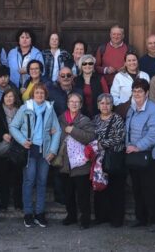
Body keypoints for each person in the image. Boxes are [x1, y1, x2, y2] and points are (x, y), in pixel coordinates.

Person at [9, 82, 61, 228]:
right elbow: (13, 126)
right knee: (29, 181)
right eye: (37, 92)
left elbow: (56, 131)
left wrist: (53, 150)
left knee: (42, 182)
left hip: (44, 152)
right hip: (30, 151)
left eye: (42, 93)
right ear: (33, 94)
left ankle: (40, 213)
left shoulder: (50, 109)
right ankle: (28, 213)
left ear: (45, 95)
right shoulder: (25, 108)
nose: (39, 95)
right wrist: (22, 140)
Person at [125, 79, 155, 231]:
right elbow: (127, 129)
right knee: (137, 189)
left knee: (151, 190)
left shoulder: (153, 109)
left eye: (140, 91)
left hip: (150, 157)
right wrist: (128, 146)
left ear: (147, 93)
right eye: (134, 91)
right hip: (135, 156)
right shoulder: (131, 109)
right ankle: (140, 218)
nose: (137, 94)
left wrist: (137, 147)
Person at [56, 92, 96, 229]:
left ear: (80, 105)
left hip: (81, 164)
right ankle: (71, 216)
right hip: (65, 163)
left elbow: (90, 137)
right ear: (67, 104)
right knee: (68, 193)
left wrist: (73, 130)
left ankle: (85, 219)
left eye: (76, 102)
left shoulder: (85, 120)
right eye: (71, 101)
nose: (74, 104)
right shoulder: (60, 119)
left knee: (83, 194)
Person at [92, 93, 126, 227]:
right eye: (102, 103)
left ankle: (116, 219)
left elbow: (120, 137)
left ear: (112, 105)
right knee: (100, 189)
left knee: (116, 189)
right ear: (98, 105)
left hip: (114, 158)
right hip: (98, 160)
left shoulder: (117, 119)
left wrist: (102, 144)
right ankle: (101, 216)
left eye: (108, 103)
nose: (105, 106)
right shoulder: (94, 119)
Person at [0, 88, 24, 211]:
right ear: (3, 98)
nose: (9, 99)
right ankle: (3, 202)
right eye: (6, 96)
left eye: (11, 96)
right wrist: (2, 135)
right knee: (3, 177)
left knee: (18, 177)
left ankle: (18, 202)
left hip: (17, 148)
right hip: (3, 147)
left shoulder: (21, 111)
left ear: (15, 98)